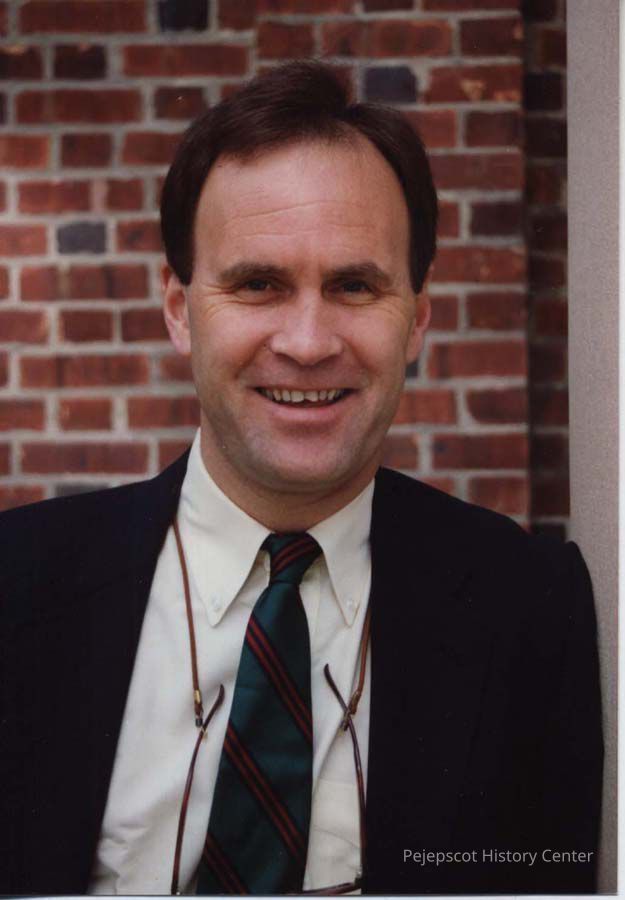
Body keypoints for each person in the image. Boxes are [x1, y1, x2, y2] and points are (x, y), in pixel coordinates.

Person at [0, 60, 602, 895]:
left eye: (354, 285)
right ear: (179, 310)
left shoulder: (528, 605)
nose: (309, 343)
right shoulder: (15, 582)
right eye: (258, 284)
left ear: (416, 319)